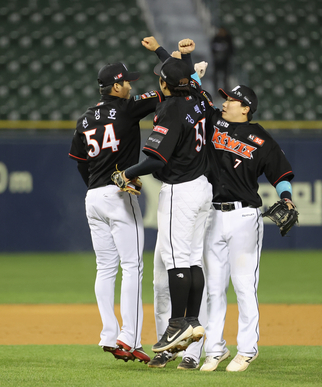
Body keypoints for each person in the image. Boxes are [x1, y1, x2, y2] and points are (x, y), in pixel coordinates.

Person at [114, 57, 212, 366]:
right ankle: (193, 319)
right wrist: (164, 53)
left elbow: (156, 160)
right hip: (202, 186)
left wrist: (127, 173)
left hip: (180, 190)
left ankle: (176, 325)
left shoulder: (171, 110)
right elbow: (189, 81)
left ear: (164, 84)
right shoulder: (198, 99)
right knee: (193, 259)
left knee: (177, 259)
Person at [68, 62, 164, 364]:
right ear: (116, 86)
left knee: (105, 268)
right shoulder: (126, 108)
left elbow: (80, 161)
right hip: (118, 195)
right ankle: (129, 337)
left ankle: (109, 334)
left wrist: (96, 186)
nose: (132, 87)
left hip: (93, 197)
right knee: (132, 266)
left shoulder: (84, 119)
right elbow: (163, 94)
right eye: (128, 83)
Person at [199, 84, 296, 372]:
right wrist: (188, 64)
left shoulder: (261, 139)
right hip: (212, 216)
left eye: (233, 99)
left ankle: (247, 349)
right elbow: (192, 91)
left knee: (243, 286)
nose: (226, 102)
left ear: (246, 108)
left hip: (244, 217)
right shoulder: (213, 120)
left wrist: (287, 198)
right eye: (226, 98)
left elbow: (281, 173)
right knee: (213, 288)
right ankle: (215, 349)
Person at [210, 27, 234, 91]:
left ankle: (226, 89)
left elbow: (231, 50)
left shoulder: (228, 39)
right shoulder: (216, 39)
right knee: (216, 76)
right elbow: (212, 49)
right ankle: (216, 90)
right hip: (217, 60)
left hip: (225, 61)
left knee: (225, 77)